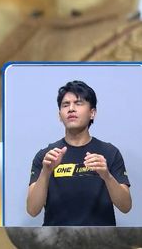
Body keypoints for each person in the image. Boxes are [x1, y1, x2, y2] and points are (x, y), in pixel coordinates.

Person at [26, 80, 132, 225]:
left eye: (78, 103)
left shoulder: (110, 153)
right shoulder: (46, 156)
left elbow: (126, 207)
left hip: (100, 237)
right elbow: (32, 210)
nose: (71, 109)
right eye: (65, 105)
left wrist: (107, 176)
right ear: (60, 115)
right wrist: (46, 171)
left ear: (92, 113)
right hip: (57, 237)